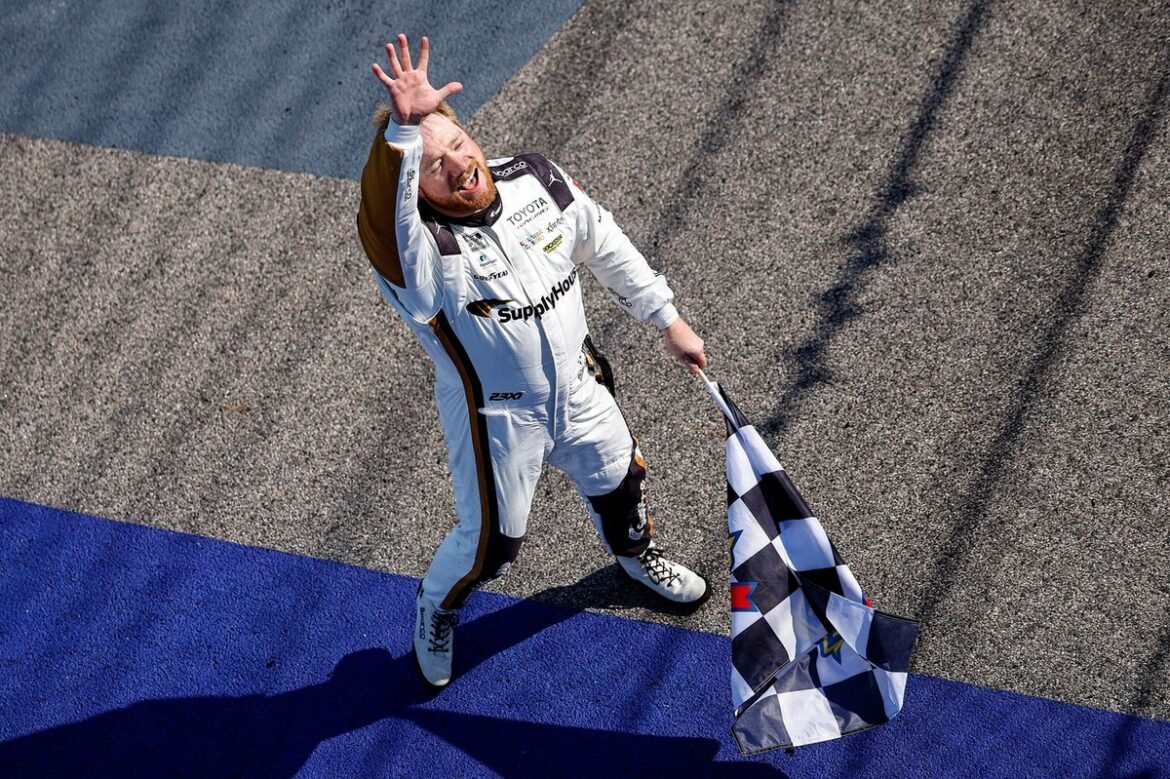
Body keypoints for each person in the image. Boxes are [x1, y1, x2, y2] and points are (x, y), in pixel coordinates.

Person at [357, 34, 710, 688]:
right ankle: (437, 606)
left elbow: (604, 241)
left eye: (458, 144)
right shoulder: (418, 256)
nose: (458, 166)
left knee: (622, 479)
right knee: (493, 547)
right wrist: (403, 134)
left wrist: (668, 318)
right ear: (414, 186)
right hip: (496, 418)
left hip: (579, 385)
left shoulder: (535, 178)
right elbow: (386, 222)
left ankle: (635, 557)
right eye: (433, 167)